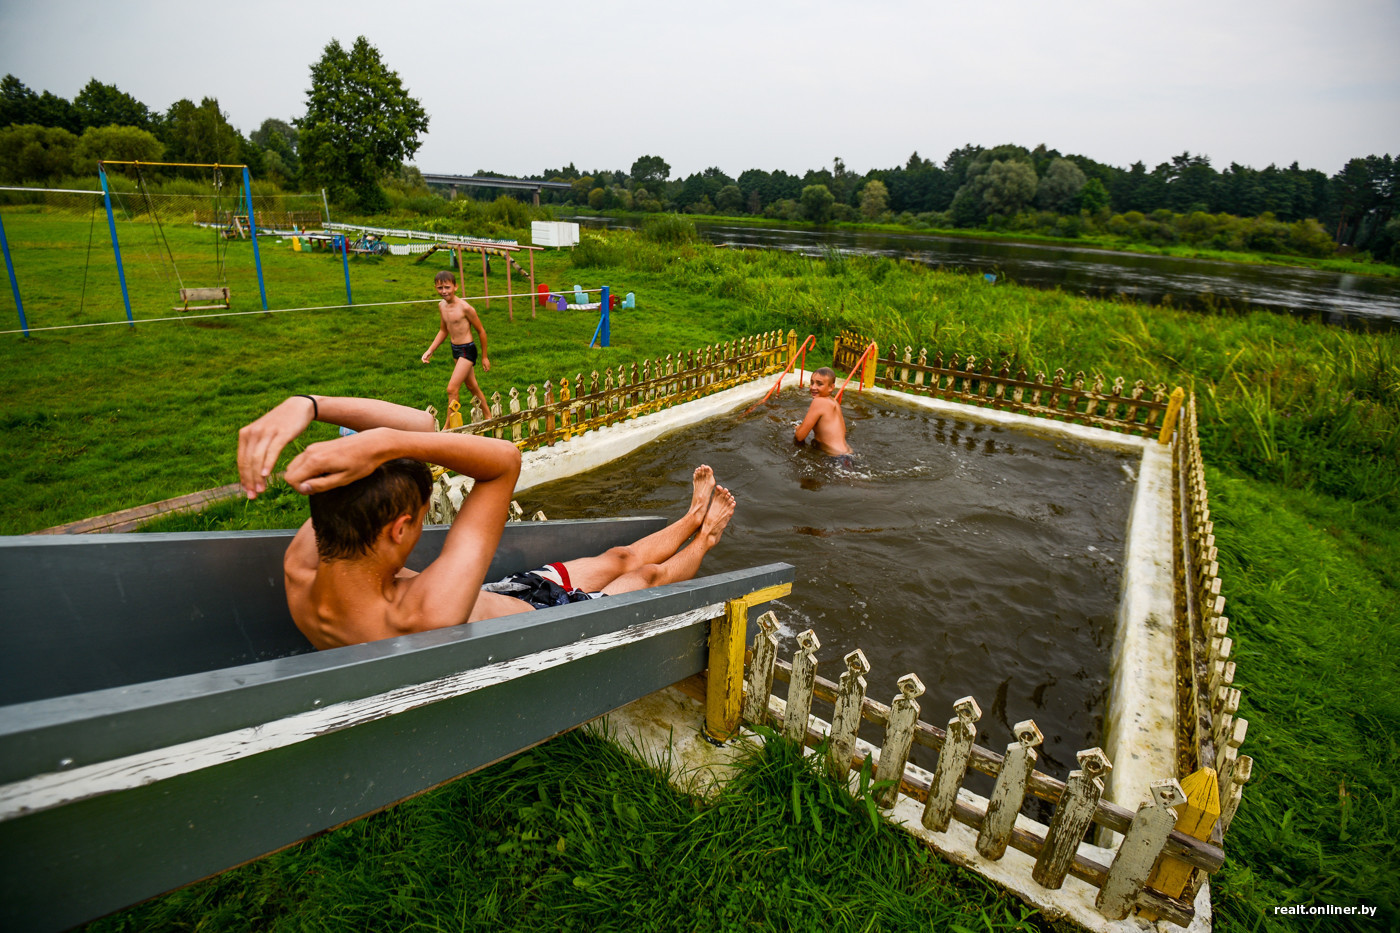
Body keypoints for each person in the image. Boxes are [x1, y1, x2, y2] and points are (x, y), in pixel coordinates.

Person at [236, 394, 735, 650]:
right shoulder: (421, 614)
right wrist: (376, 439)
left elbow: (421, 425)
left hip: (502, 596)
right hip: (553, 624)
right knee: (639, 574)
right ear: (399, 528)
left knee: (615, 557)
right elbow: (503, 461)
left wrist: (308, 406)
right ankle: (706, 535)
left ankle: (690, 514)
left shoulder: (303, 565)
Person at [421, 270, 491, 426]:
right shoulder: (441, 306)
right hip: (456, 350)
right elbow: (443, 330)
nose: (444, 291)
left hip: (468, 350)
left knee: (452, 389)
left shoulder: (465, 308)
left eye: (447, 287)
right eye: (440, 288)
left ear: (455, 287)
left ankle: (448, 427)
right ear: (435, 288)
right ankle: (488, 415)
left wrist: (485, 357)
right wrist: (430, 350)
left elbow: (481, 331)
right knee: (472, 386)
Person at [794, 367, 853, 467]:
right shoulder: (834, 402)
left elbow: (800, 436)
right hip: (848, 455)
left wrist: (798, 428)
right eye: (812, 382)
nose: (813, 387)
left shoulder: (818, 401)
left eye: (819, 384)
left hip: (835, 458)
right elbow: (844, 431)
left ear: (831, 387)